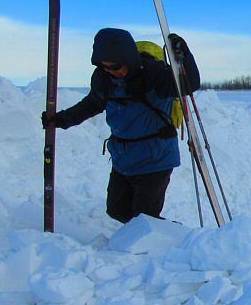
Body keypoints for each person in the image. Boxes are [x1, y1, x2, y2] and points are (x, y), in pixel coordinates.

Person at [41, 28, 200, 223]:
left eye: (115, 66)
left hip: (154, 159)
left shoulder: (153, 74)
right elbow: (92, 104)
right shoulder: (104, 78)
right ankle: (145, 240)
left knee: (143, 219)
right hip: (123, 159)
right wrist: (60, 120)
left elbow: (188, 85)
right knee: (117, 211)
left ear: (127, 58)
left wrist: (185, 55)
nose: (110, 71)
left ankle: (166, 242)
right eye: (104, 66)